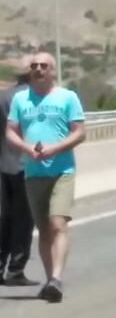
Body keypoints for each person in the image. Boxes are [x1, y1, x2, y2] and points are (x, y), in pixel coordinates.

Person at [5, 52, 86, 303]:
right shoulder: (21, 99)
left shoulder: (67, 97)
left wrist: (55, 148)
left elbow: (80, 132)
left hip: (62, 171)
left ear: (52, 70)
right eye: (35, 66)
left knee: (57, 224)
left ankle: (57, 278)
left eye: (44, 66)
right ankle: (51, 280)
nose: (39, 69)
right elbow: (11, 131)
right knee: (43, 230)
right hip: (33, 172)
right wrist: (27, 148)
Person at [0, 57, 39, 287]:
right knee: (24, 220)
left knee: (5, 218)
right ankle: (16, 269)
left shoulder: (3, 97)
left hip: (3, 164)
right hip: (27, 166)